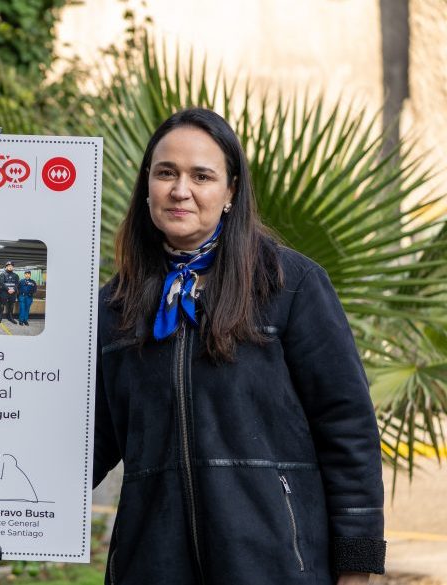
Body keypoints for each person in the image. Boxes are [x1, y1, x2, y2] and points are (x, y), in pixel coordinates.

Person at [94, 108, 384, 585]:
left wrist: (357, 561)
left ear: (230, 192)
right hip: (152, 565)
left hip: (276, 565)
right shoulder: (115, 304)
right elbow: (92, 440)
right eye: (165, 172)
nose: (180, 190)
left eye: (201, 176)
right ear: (147, 185)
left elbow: (346, 425)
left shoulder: (291, 285)